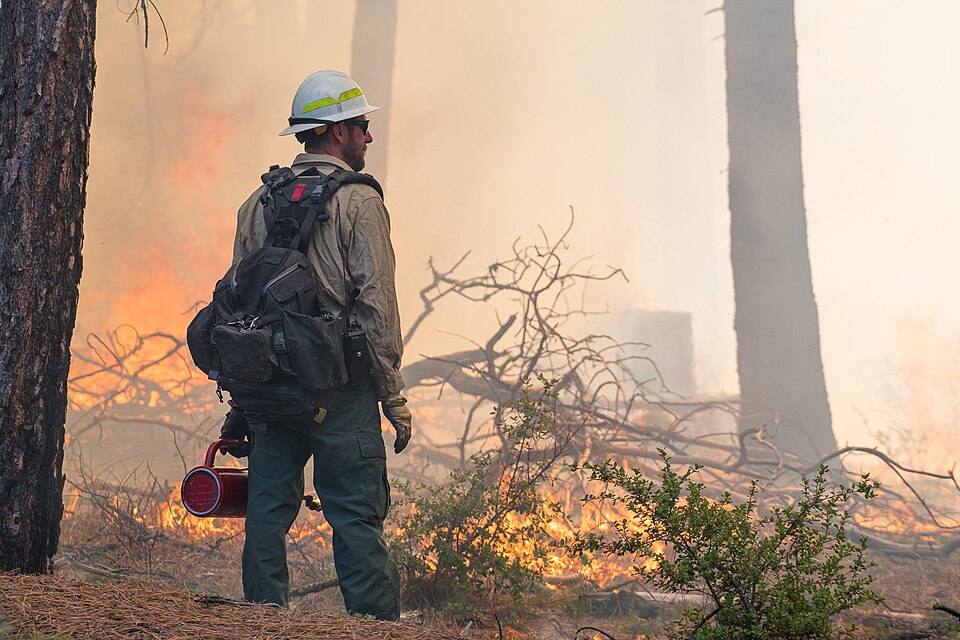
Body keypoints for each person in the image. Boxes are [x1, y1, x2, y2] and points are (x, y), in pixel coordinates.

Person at [221, 70, 411, 621]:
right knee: (355, 516)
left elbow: (240, 303)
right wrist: (393, 398)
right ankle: (376, 630)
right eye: (362, 126)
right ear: (336, 132)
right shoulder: (359, 204)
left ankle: (262, 625)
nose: (368, 138)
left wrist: (242, 401)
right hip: (341, 389)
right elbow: (377, 307)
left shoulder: (256, 203)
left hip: (271, 390)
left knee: (265, 512)